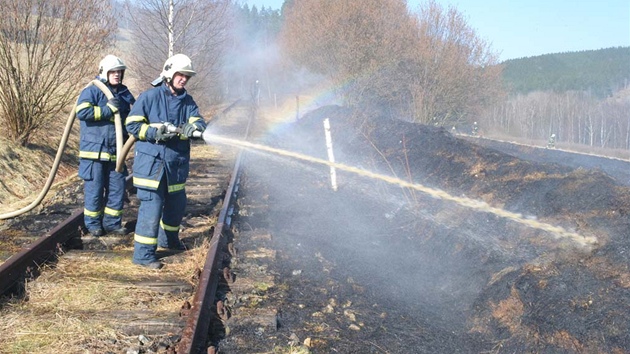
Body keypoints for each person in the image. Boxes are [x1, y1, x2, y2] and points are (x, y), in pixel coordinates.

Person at [125, 54, 207, 269]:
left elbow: (198, 121)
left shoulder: (188, 102)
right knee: (152, 208)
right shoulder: (149, 97)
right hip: (152, 165)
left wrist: (195, 128)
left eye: (187, 76)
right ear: (169, 74)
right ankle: (143, 255)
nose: (184, 79)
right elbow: (132, 125)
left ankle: (169, 240)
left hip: (175, 166)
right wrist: (154, 132)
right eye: (181, 75)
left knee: (176, 206)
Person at [76, 55, 135, 237]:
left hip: (116, 152)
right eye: (113, 72)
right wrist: (106, 110)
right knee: (94, 191)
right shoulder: (93, 90)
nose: (117, 75)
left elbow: (132, 115)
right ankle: (93, 224)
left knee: (117, 190)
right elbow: (82, 111)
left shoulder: (124, 93)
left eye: (119, 72)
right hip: (94, 153)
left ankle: (112, 224)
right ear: (104, 72)